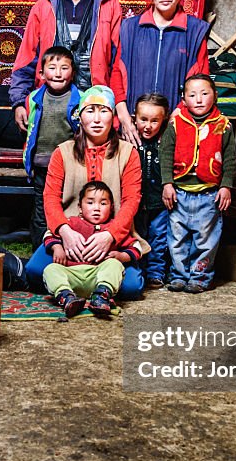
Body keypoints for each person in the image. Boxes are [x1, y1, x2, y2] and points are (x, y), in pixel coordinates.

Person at [24, 85, 147, 299]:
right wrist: (64, 231)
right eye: (90, 111)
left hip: (112, 237)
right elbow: (50, 197)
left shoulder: (129, 154)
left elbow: (131, 201)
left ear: (113, 117)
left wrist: (110, 235)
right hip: (71, 234)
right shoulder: (62, 152)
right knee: (34, 273)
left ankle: (81, 282)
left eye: (104, 111)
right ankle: (87, 283)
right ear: (80, 117)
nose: (97, 119)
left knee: (131, 287)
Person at [8, 0, 127, 132]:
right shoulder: (43, 6)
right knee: (48, 158)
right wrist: (19, 101)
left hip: (94, 101)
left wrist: (118, 104)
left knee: (91, 159)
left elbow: (117, 61)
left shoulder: (110, 6)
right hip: (49, 101)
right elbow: (27, 58)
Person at [117, 0, 211, 146]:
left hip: (176, 125)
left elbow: (200, 80)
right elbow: (116, 73)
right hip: (133, 126)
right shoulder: (130, 28)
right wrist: (124, 117)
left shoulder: (194, 31)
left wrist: (176, 119)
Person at [160, 74, 235, 293]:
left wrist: (225, 186)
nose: (199, 99)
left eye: (205, 94)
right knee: (176, 238)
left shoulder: (223, 125)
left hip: (209, 194)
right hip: (179, 193)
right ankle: (179, 276)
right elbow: (165, 154)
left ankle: (200, 277)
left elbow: (230, 159)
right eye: (192, 95)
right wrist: (167, 184)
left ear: (215, 96)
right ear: (183, 99)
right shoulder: (175, 124)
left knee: (206, 240)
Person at [43, 181, 142, 318]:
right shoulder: (72, 223)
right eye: (90, 203)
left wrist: (121, 256)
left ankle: (101, 296)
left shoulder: (114, 228)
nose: (96, 208)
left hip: (98, 274)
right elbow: (49, 234)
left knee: (114, 265)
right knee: (50, 270)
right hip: (72, 274)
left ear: (111, 207)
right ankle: (67, 297)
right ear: (80, 207)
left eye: (103, 203)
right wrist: (57, 247)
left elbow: (136, 247)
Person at [20, 46, 82, 250]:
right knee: (42, 207)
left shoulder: (80, 99)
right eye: (52, 67)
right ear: (41, 73)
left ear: (73, 73)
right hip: (41, 165)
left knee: (68, 206)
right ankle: (40, 249)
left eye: (64, 68)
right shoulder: (34, 99)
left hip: (69, 166)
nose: (57, 73)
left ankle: (67, 247)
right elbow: (30, 131)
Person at [132, 92, 171, 289]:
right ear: (134, 118)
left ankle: (156, 272)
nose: (148, 125)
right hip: (136, 203)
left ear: (163, 120)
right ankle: (138, 269)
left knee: (158, 236)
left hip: (160, 202)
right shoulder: (129, 141)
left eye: (155, 121)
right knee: (138, 235)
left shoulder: (166, 142)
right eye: (143, 119)